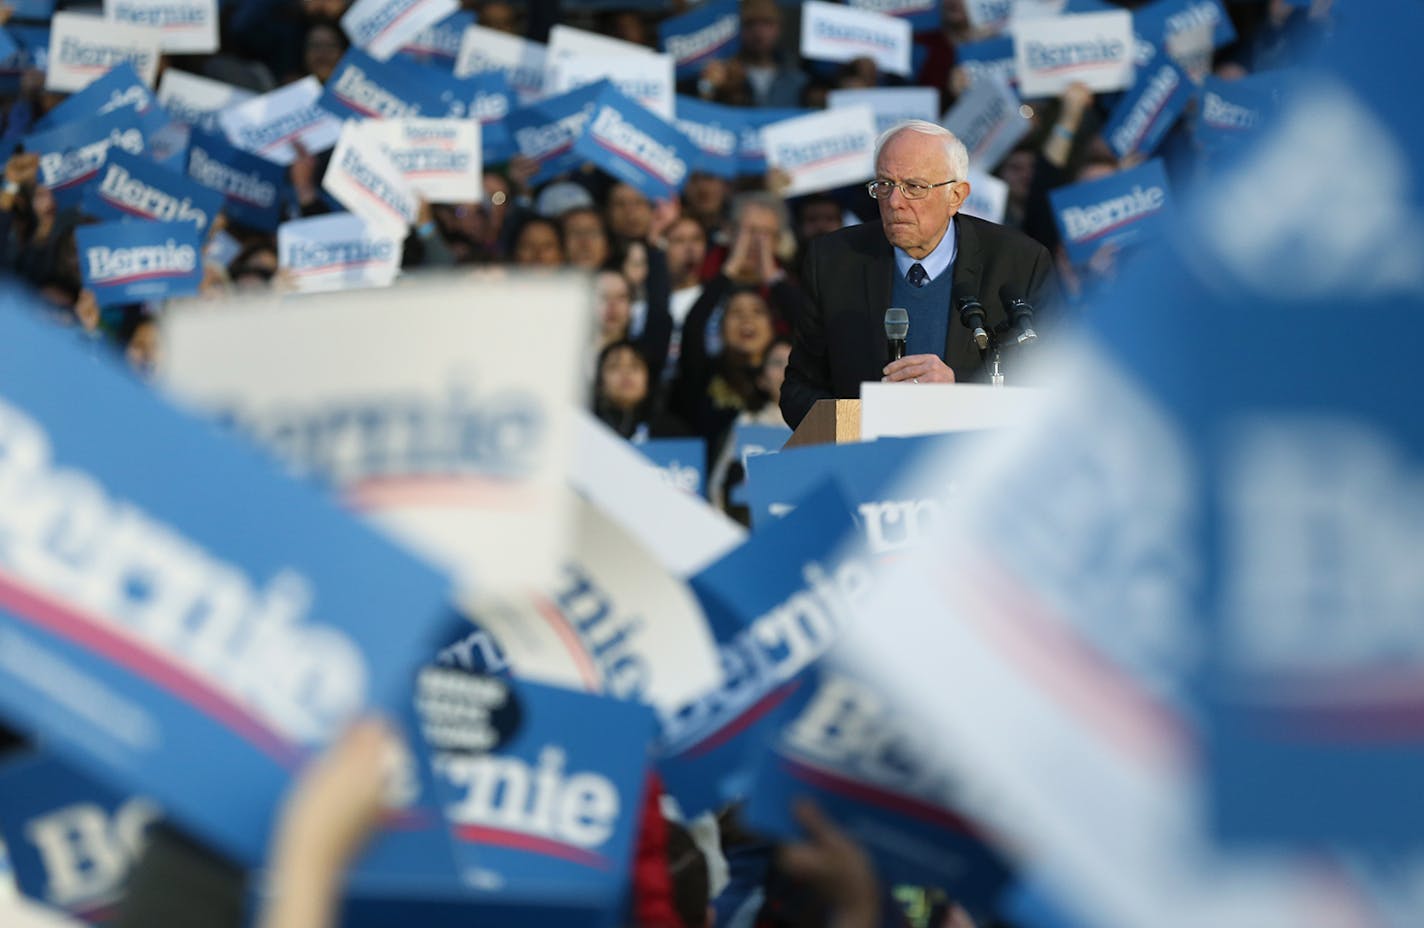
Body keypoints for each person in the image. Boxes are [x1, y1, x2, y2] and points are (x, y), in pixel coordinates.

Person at [781, 120, 1059, 429]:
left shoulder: (1020, 262)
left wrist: (958, 396)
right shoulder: (833, 260)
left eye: (914, 187)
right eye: (884, 185)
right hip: (870, 466)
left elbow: (1055, 389)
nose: (894, 202)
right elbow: (798, 391)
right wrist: (863, 421)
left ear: (956, 196)